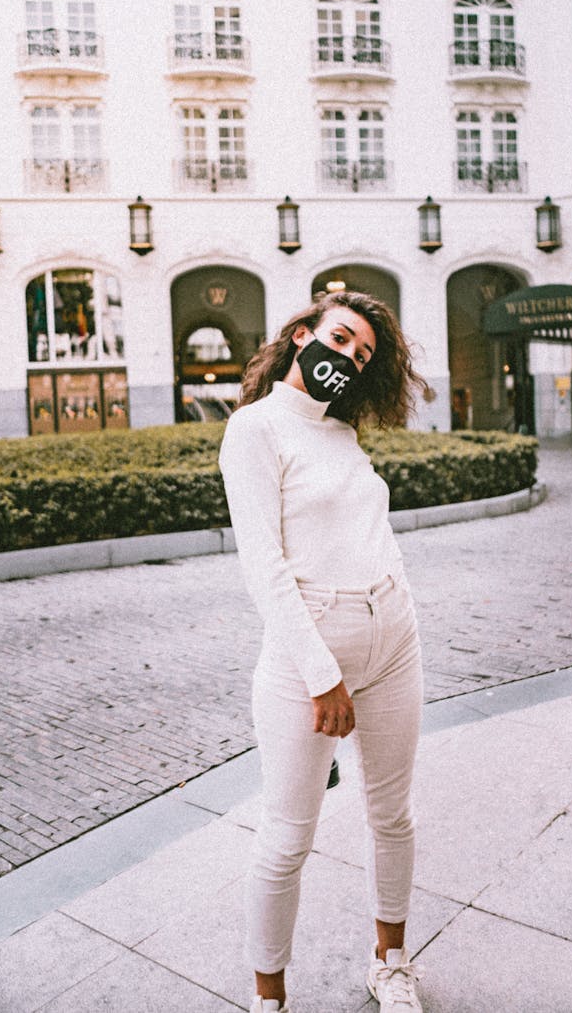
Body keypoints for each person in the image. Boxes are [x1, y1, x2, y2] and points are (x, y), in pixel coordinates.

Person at [219, 290, 428, 1013]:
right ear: (304, 333)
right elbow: (264, 566)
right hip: (309, 657)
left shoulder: (340, 433)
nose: (347, 357)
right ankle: (268, 997)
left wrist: (395, 601)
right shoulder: (255, 429)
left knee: (392, 814)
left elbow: (362, 525)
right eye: (340, 338)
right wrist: (322, 676)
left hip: (393, 637)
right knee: (286, 837)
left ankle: (391, 961)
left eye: (362, 354)